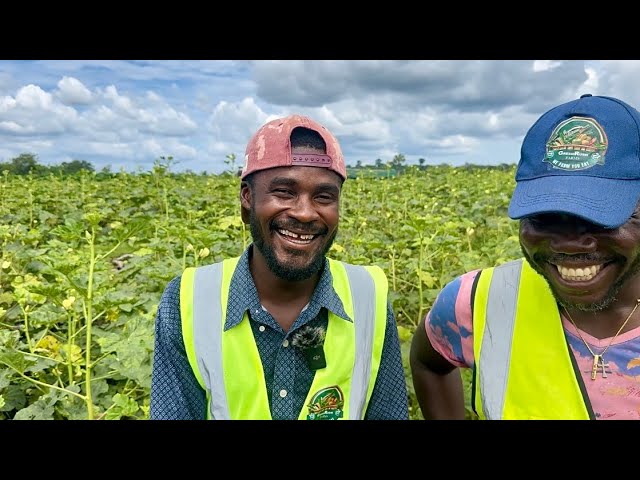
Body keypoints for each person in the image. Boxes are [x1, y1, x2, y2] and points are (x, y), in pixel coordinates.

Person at [150, 114, 409, 420]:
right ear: (248, 198)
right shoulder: (189, 300)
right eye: (284, 192)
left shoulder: (368, 296)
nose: (304, 213)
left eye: (324, 197)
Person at [410, 94, 640, 420]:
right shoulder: (480, 303)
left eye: (602, 216)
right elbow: (427, 363)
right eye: (544, 215)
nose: (571, 244)